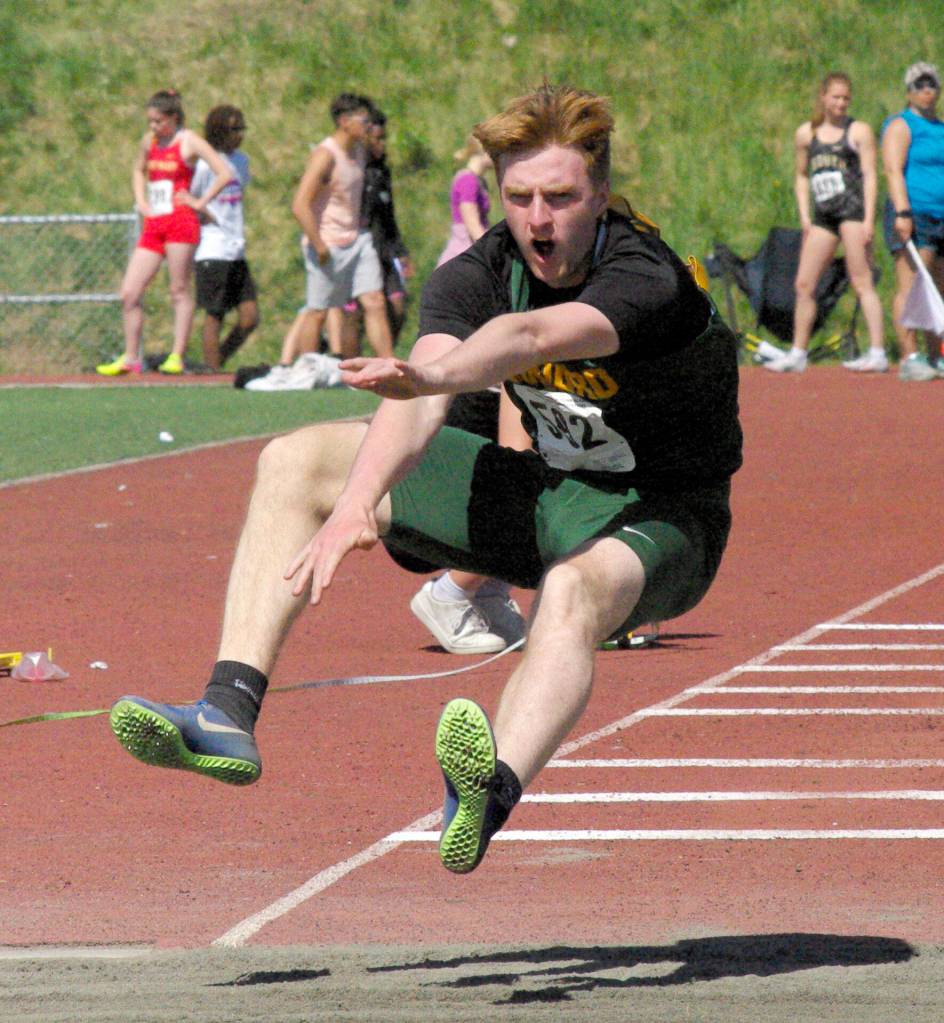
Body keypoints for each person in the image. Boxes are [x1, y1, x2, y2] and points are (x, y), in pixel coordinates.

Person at [109, 84, 742, 877]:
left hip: (663, 515)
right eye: (519, 197)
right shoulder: (477, 272)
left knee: (571, 593)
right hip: (544, 493)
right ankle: (226, 708)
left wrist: (437, 373)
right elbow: (417, 399)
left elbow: (532, 334)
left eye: (560, 197)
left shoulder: (646, 274)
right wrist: (354, 503)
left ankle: (488, 788)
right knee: (295, 460)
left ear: (602, 193)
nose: (538, 219)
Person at [247, 93, 393, 391]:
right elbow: (300, 204)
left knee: (375, 301)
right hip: (327, 242)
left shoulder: (359, 150)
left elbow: (378, 155)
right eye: (363, 120)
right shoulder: (325, 156)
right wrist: (319, 245)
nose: (368, 126)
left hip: (357, 239)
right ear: (344, 121)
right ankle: (307, 368)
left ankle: (390, 367)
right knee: (317, 311)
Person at [97, 90, 233, 376]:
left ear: (173, 118)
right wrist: (141, 201)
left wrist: (199, 202)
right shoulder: (149, 141)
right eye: (150, 121)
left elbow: (224, 173)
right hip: (155, 223)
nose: (154, 127)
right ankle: (131, 357)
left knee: (178, 289)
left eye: (158, 121)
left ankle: (176, 355)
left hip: (181, 222)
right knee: (130, 292)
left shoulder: (189, 141)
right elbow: (138, 170)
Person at [764, 73, 884, 374]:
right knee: (804, 283)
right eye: (836, 97)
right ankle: (798, 352)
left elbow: (870, 175)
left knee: (862, 281)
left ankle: (878, 350)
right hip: (824, 217)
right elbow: (801, 175)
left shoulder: (858, 132)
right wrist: (805, 216)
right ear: (823, 97)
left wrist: (869, 219)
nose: (841, 103)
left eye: (846, 98)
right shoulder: (807, 134)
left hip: (852, 213)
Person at [878, 61, 944, 382]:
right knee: (912, 283)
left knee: (938, 286)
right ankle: (909, 355)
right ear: (909, 91)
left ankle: (936, 354)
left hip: (941, 214)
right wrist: (903, 212)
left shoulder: (940, 128)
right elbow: (893, 169)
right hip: (915, 213)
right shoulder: (901, 125)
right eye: (920, 85)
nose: (926, 90)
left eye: (932, 84)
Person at [191, 105, 259, 372]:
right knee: (215, 314)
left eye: (242, 128)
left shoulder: (241, 161)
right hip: (213, 247)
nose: (240, 134)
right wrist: (202, 211)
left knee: (250, 317)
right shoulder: (205, 164)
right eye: (234, 129)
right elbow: (191, 197)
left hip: (235, 247)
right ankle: (213, 374)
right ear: (219, 131)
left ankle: (216, 362)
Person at [435, 136, 493, 267]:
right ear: (484, 151)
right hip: (464, 250)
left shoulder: (479, 181)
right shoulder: (468, 181)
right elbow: (473, 226)